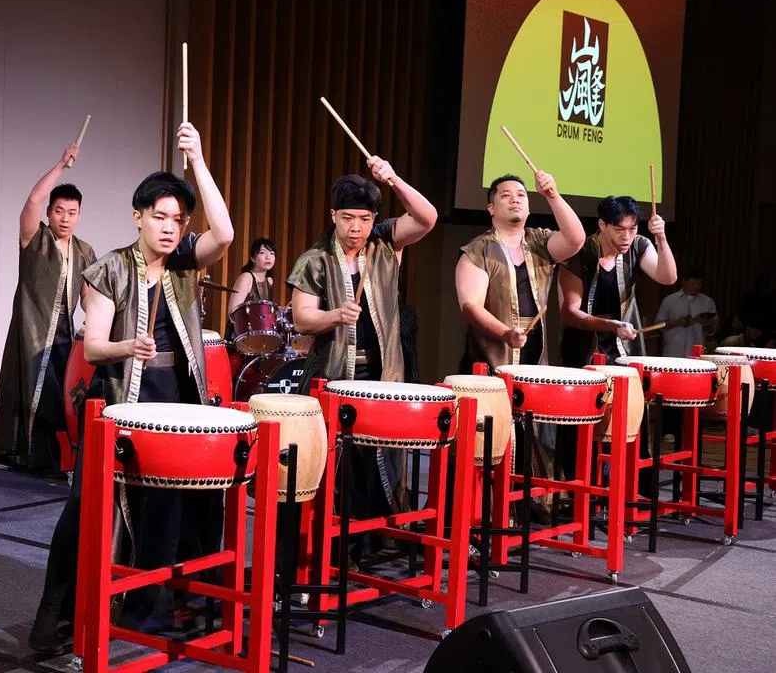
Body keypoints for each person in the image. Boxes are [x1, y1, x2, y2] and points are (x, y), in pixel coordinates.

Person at [28, 121, 234, 653]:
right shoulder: (109, 269)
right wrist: (128, 346)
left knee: (165, 507)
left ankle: (148, 610)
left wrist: (199, 160)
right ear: (138, 216)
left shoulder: (185, 263)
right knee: (87, 510)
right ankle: (58, 616)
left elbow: (226, 233)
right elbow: (94, 347)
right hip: (120, 399)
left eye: (178, 219)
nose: (169, 228)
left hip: (175, 399)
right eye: (159, 216)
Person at [288, 159, 437, 559]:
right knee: (341, 464)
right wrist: (335, 315)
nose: (357, 228)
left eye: (365, 219)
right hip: (334, 374)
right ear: (333, 216)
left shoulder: (385, 244)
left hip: (383, 373)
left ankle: (375, 542)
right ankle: (335, 548)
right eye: (348, 218)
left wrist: (393, 179)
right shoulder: (315, 259)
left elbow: (427, 217)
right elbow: (302, 318)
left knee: (381, 458)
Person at [455, 171, 585, 522]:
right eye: (506, 195)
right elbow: (470, 305)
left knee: (531, 429)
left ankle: (526, 506)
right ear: (490, 207)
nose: (515, 199)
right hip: (491, 356)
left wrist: (553, 195)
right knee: (491, 436)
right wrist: (505, 332)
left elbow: (575, 240)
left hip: (532, 352)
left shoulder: (540, 242)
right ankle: (485, 512)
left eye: (522, 195)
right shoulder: (477, 250)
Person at [0, 143, 97, 476]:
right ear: (49, 212)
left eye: (72, 213)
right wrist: (61, 165)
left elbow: (88, 296)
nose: (65, 218)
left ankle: (58, 457)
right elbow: (32, 200)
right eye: (59, 211)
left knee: (65, 394)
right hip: (32, 330)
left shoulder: (84, 251)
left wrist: (96, 327)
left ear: (79, 216)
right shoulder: (34, 238)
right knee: (37, 394)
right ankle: (31, 457)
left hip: (64, 333)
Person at [558, 195, 678, 367]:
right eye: (619, 229)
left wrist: (661, 238)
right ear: (602, 225)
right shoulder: (580, 253)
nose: (626, 237)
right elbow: (569, 314)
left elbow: (668, 278)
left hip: (625, 345)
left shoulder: (638, 245)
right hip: (583, 346)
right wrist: (612, 326)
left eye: (633, 229)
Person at [654, 267, 717, 358]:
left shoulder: (707, 302)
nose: (697, 287)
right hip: (672, 353)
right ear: (684, 281)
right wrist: (677, 322)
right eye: (694, 283)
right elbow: (658, 325)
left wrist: (706, 323)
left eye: (699, 284)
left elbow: (712, 331)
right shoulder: (669, 301)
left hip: (697, 355)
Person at [224, 237, 277, 341]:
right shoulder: (246, 277)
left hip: (260, 335)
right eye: (262, 253)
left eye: (272, 253)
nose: (268, 257)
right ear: (253, 258)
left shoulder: (269, 280)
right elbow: (232, 312)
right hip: (242, 335)